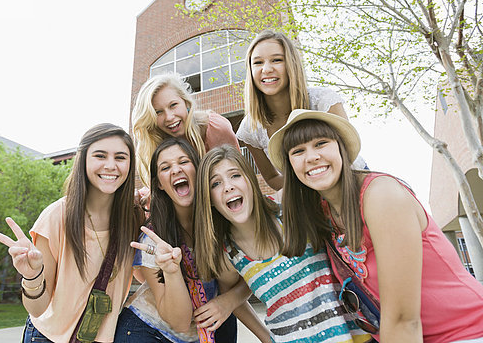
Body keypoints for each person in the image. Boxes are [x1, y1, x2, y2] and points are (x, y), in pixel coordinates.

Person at [267, 109, 483, 342]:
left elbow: (403, 320)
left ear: (341, 148)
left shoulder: (380, 194)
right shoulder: (322, 214)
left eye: (321, 143)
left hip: (466, 331)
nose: (311, 157)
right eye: (298, 151)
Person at [194, 144, 371, 343]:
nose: (228, 186)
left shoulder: (287, 206)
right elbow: (231, 296)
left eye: (235, 175)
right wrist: (266, 339)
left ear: (250, 180)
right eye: (215, 184)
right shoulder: (228, 255)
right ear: (208, 199)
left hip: (355, 335)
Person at [0, 124, 144, 343]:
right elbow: (38, 309)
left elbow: (143, 276)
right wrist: (31, 276)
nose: (111, 165)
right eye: (100, 155)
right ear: (84, 160)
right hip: (47, 337)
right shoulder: (56, 216)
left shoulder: (135, 218)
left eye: (120, 157)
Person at [114, 138, 270, 343]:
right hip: (149, 331)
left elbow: (249, 275)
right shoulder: (153, 240)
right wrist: (171, 272)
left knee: (225, 318)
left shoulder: (225, 220)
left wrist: (228, 302)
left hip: (210, 324)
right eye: (165, 167)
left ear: (199, 170)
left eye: (183, 161)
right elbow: (178, 321)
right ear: (159, 183)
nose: (176, 169)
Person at [236, 29, 366, 191]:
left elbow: (347, 155)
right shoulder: (250, 128)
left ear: (291, 63)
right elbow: (271, 177)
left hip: (352, 183)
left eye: (276, 60)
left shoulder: (324, 102)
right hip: (305, 196)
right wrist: (303, 188)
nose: (267, 69)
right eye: (258, 62)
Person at [131, 73, 240, 187]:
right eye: (158, 112)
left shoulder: (215, 128)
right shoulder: (157, 142)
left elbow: (238, 175)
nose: (169, 117)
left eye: (173, 105)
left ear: (186, 102)